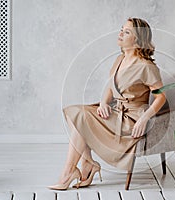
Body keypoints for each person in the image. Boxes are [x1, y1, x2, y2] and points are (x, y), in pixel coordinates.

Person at [48, 17, 166, 190]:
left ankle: (70, 173)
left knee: (80, 116)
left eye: (127, 32)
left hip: (130, 120)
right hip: (115, 111)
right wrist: (103, 102)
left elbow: (161, 96)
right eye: (121, 29)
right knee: (74, 113)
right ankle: (86, 165)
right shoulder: (120, 59)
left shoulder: (146, 66)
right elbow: (111, 87)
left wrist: (145, 118)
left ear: (138, 39)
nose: (120, 33)